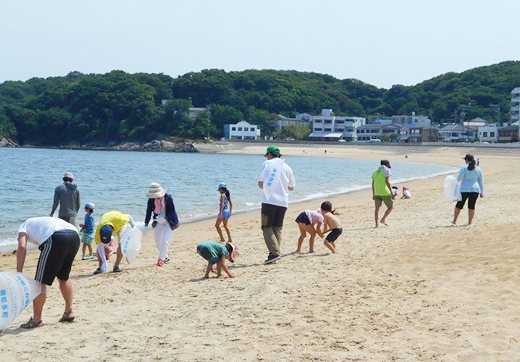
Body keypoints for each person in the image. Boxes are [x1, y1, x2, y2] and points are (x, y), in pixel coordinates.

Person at [16, 217, 80, 328]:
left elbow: (22, 246)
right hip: (74, 236)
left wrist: (19, 272)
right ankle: (68, 312)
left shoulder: (23, 226)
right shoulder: (38, 222)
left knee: (40, 282)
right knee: (63, 276)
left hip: (55, 237)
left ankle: (36, 320)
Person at [258, 145, 296, 264]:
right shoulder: (287, 167)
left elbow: (260, 183)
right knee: (277, 228)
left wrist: (267, 186)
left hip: (269, 201)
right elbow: (291, 187)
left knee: (266, 227)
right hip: (283, 202)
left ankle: (274, 252)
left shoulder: (267, 164)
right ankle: (275, 253)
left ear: (269, 154)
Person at [143, 183, 179, 266]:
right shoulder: (152, 199)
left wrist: (165, 219)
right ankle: (165, 256)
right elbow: (148, 211)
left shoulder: (168, 198)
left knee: (165, 240)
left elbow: (172, 211)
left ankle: (161, 259)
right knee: (157, 239)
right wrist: (146, 224)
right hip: (158, 220)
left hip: (169, 221)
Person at [452, 154, 484, 226]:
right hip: (475, 189)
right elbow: (481, 181)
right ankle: (470, 222)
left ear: (466, 160)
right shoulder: (478, 169)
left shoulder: (464, 168)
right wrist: (482, 192)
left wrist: (453, 182)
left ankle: (454, 220)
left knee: (459, 205)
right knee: (471, 206)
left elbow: (459, 178)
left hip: (464, 189)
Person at [372, 160, 393, 228]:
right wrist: (392, 192)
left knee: (377, 209)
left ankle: (376, 224)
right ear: (387, 164)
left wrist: (373, 193)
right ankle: (383, 219)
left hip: (377, 193)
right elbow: (387, 182)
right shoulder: (386, 170)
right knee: (390, 207)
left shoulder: (375, 172)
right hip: (385, 192)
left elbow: (373, 184)